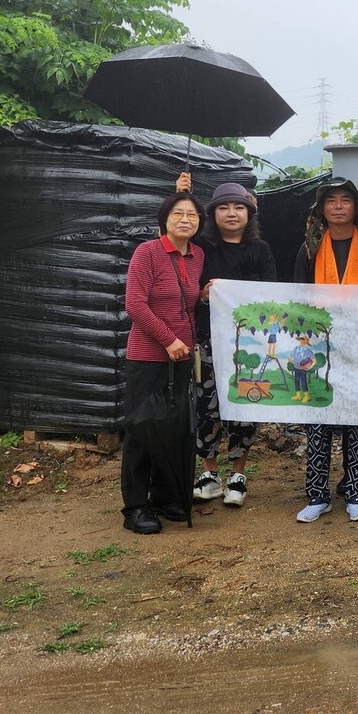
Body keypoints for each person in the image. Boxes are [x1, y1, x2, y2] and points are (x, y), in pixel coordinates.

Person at [292, 178, 358, 523]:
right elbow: (300, 301)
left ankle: (357, 493)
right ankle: (317, 495)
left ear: (356, 207)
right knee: (318, 419)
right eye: (331, 200)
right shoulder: (308, 249)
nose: (338, 206)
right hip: (318, 346)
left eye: (345, 200)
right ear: (321, 210)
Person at [121, 193, 206, 535]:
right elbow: (135, 305)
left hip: (182, 357)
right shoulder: (148, 253)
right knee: (143, 429)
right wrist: (168, 339)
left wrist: (203, 295)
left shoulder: (198, 255)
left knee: (174, 427)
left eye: (192, 215)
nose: (185, 220)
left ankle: (166, 495)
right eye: (178, 214)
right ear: (165, 219)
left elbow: (186, 299)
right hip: (149, 356)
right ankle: (136, 506)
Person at [190, 182, 277, 508]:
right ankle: (208, 473)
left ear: (249, 213)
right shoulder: (201, 248)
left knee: (245, 405)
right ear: (212, 214)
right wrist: (201, 295)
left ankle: (238, 474)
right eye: (224, 208)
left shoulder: (261, 249)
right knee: (206, 406)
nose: (231, 213)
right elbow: (189, 288)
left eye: (238, 207)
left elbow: (270, 294)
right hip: (208, 339)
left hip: (248, 343)